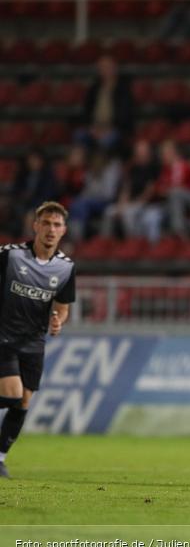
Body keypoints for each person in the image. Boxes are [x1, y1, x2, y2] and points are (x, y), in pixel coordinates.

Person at [0, 201, 76, 478]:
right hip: (3, 336)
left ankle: (0, 458)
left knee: (23, 403)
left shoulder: (66, 268)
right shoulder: (10, 256)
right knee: (12, 394)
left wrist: (57, 321)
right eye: (46, 223)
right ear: (35, 226)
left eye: (56, 225)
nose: (51, 229)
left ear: (64, 230)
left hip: (34, 342)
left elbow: (63, 308)